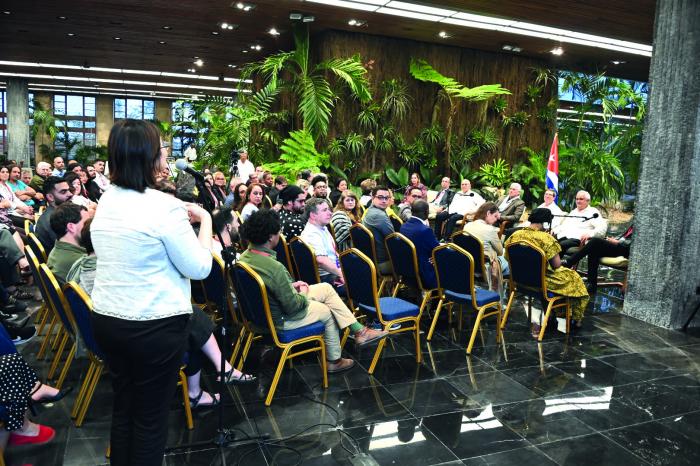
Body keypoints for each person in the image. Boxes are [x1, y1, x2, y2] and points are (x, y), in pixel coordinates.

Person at [89, 119, 214, 466]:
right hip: (152, 327)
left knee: (125, 408)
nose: (166, 157)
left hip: (108, 321)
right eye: (162, 150)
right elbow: (200, 267)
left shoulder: (107, 199)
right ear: (150, 158)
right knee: (150, 420)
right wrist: (205, 220)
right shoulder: (164, 207)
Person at [239, 209, 388, 373]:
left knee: (325, 289)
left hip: (261, 313)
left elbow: (266, 285)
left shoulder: (245, 257)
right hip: (280, 319)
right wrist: (301, 293)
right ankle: (334, 360)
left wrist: (290, 286)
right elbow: (293, 307)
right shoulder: (274, 268)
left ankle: (360, 331)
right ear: (270, 237)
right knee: (326, 310)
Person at [505, 208, 589, 336]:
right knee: (575, 278)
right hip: (541, 283)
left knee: (546, 275)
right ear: (545, 223)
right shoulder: (546, 239)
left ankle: (551, 314)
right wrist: (553, 244)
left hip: (520, 281)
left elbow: (508, 257)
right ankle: (575, 319)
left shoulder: (515, 235)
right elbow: (556, 265)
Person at [562, 225, 634, 294]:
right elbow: (625, 237)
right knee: (594, 249)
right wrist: (612, 240)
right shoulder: (635, 223)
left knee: (595, 241)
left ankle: (570, 262)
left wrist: (618, 242)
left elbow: (635, 242)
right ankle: (592, 284)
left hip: (627, 250)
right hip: (620, 246)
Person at [463, 202, 509, 294]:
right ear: (488, 213)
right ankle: (499, 297)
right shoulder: (490, 230)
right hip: (485, 266)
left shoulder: (467, 226)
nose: (496, 219)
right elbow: (500, 252)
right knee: (509, 262)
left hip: (468, 263)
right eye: (495, 216)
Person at [300, 198, 343, 286]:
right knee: (360, 280)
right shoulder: (312, 233)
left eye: (329, 209)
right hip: (327, 277)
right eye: (324, 210)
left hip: (333, 271)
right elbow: (321, 260)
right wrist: (341, 274)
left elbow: (333, 253)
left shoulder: (322, 227)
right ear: (313, 215)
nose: (330, 213)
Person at [46, 203, 89, 286]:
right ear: (71, 227)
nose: (91, 227)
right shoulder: (79, 261)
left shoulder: (60, 250)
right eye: (86, 223)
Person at [399, 200, 439, 289]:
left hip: (407, 269)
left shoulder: (403, 226)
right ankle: (442, 298)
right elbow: (438, 250)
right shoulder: (425, 230)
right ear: (426, 212)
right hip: (424, 272)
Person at [34, 176, 74, 255]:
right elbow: (68, 250)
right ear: (50, 197)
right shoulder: (54, 221)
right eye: (63, 192)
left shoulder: (59, 214)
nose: (70, 194)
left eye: (69, 190)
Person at [362, 186, 394, 275]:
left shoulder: (370, 210)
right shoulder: (379, 215)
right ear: (372, 198)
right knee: (416, 261)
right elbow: (393, 239)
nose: (384, 201)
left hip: (371, 260)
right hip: (382, 263)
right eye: (380, 197)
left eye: (386, 198)